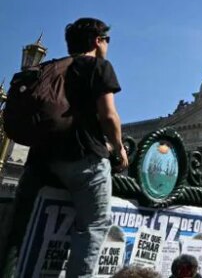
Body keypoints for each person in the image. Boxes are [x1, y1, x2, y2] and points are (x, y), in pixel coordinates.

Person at [10, 18, 128, 277]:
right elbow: (108, 116)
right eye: (106, 40)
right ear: (98, 41)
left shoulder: (49, 68)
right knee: (94, 227)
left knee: (24, 228)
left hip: (41, 161)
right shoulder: (99, 66)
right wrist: (119, 148)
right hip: (84, 158)